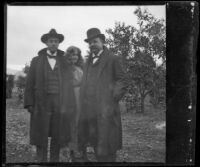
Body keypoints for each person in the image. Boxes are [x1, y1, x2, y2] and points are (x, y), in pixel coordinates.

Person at [24, 29, 76, 162]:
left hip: (59, 102)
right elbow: (30, 83)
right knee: (41, 134)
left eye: (56, 41)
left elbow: (69, 84)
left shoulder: (64, 61)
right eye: (51, 41)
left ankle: (54, 161)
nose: (53, 43)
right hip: (42, 103)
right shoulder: (36, 60)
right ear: (46, 43)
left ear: (58, 44)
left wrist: (70, 104)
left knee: (57, 134)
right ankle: (41, 161)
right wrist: (30, 103)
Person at [77, 28, 126, 162]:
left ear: (102, 41)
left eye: (95, 41)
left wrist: (113, 97)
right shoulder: (87, 62)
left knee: (109, 144)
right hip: (90, 111)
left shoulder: (112, 58)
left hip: (107, 109)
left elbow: (122, 79)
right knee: (96, 142)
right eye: (90, 42)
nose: (92, 44)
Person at [63, 46, 84, 161]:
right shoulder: (65, 68)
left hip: (81, 97)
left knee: (79, 123)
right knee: (71, 123)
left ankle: (78, 148)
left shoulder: (81, 67)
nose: (74, 57)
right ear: (68, 56)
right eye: (72, 55)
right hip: (70, 96)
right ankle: (71, 149)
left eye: (76, 55)